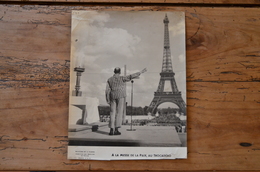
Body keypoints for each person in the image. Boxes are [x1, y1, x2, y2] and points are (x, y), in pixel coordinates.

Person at [105, 67, 147, 135]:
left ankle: (111, 129)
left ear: (114, 71)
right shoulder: (122, 78)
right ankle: (116, 130)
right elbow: (131, 76)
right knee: (119, 112)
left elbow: (107, 90)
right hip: (120, 95)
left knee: (112, 112)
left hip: (112, 96)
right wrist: (140, 72)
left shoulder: (109, 79)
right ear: (120, 72)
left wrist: (107, 99)